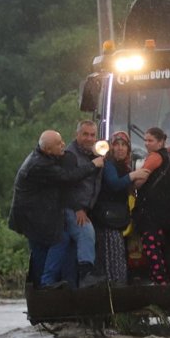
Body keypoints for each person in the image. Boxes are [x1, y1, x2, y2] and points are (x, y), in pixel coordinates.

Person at [8, 130, 104, 289]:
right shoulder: (40, 165)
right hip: (31, 215)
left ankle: (43, 286)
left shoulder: (43, 157)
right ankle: (47, 283)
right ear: (47, 149)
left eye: (62, 141)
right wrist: (93, 164)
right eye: (58, 144)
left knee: (42, 249)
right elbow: (67, 177)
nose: (63, 146)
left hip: (32, 214)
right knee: (60, 239)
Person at [92, 131, 149, 286]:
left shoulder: (124, 165)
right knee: (112, 255)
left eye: (124, 145)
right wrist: (134, 175)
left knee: (120, 254)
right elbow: (115, 184)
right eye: (116, 145)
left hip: (118, 217)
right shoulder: (109, 163)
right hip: (107, 219)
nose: (120, 148)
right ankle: (115, 287)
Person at [63, 120, 106, 288]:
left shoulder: (94, 153)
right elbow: (66, 183)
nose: (89, 138)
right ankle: (86, 276)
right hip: (72, 207)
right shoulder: (69, 155)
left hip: (87, 207)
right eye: (85, 134)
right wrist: (78, 209)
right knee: (86, 232)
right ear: (77, 135)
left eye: (92, 135)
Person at [132, 127, 170, 285]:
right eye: (145, 140)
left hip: (150, 211)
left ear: (161, 141)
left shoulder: (155, 157)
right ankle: (164, 279)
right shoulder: (168, 157)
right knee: (160, 246)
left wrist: (129, 182)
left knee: (151, 246)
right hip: (164, 209)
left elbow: (140, 180)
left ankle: (158, 280)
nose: (146, 144)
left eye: (150, 140)